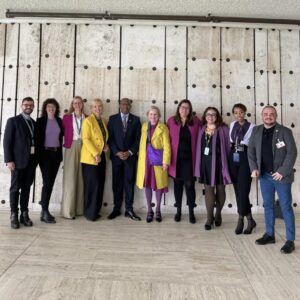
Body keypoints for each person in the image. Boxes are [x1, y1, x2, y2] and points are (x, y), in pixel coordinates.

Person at [248, 105, 297, 254]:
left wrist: (282, 171)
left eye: (271, 114)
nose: (268, 116)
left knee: (286, 207)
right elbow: (250, 151)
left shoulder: (285, 131)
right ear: (262, 115)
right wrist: (254, 168)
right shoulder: (256, 130)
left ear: (276, 116)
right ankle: (270, 235)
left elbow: (292, 153)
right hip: (264, 176)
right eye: (266, 114)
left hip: (281, 176)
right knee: (268, 205)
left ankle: (290, 240)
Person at [195, 107, 231, 230]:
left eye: (213, 114)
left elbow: (228, 148)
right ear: (205, 116)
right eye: (208, 114)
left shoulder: (223, 129)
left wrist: (227, 166)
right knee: (209, 190)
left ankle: (218, 214)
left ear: (217, 117)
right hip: (206, 164)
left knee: (220, 190)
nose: (210, 116)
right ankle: (209, 218)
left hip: (220, 164)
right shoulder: (202, 129)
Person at [3, 97, 38, 229]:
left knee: (27, 188)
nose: (28, 107)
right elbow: (7, 142)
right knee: (15, 188)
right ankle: (13, 214)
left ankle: (24, 214)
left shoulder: (34, 123)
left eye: (31, 105)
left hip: (31, 162)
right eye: (26, 105)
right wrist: (9, 160)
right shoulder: (13, 121)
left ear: (33, 107)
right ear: (21, 106)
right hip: (17, 162)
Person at [107, 98, 141, 221]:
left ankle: (129, 209)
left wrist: (130, 152)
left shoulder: (136, 120)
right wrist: (117, 152)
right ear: (119, 105)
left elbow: (138, 140)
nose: (125, 106)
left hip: (130, 158)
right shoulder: (112, 119)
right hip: (117, 158)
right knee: (116, 184)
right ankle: (116, 209)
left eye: (127, 104)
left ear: (130, 106)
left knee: (129, 183)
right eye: (123, 104)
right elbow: (109, 138)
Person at [167, 99, 201, 224]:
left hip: (190, 161)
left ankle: (191, 212)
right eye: (182, 107)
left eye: (187, 108)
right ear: (178, 108)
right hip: (176, 161)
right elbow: (167, 140)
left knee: (190, 186)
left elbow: (204, 134)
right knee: (177, 186)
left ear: (190, 109)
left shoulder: (196, 122)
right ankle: (179, 211)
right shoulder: (171, 121)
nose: (184, 110)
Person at [136, 106, 171, 223]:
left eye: (155, 114)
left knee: (159, 185)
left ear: (159, 116)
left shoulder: (163, 128)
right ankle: (149, 210)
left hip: (158, 161)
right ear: (148, 115)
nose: (153, 116)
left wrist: (166, 161)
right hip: (145, 160)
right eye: (151, 114)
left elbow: (167, 146)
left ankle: (158, 210)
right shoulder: (144, 126)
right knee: (147, 184)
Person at [228, 103, 256, 234]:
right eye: (235, 112)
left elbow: (251, 144)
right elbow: (231, 141)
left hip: (245, 157)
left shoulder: (252, 127)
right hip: (233, 157)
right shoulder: (232, 125)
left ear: (245, 112)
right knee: (238, 190)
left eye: (240, 112)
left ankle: (241, 219)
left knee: (243, 189)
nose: (238, 115)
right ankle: (250, 219)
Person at [80, 98, 109, 221]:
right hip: (90, 158)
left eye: (100, 106)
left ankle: (95, 211)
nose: (98, 109)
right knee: (92, 186)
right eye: (95, 107)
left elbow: (102, 138)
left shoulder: (102, 120)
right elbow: (86, 139)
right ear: (91, 109)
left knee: (100, 184)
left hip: (101, 157)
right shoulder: (88, 121)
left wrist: (105, 146)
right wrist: (96, 154)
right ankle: (89, 213)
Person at [36, 98, 63, 224]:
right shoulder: (40, 121)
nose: (51, 108)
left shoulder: (59, 121)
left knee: (50, 183)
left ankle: (44, 212)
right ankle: (45, 210)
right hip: (44, 155)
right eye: (48, 107)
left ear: (56, 109)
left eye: (53, 106)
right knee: (47, 182)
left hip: (56, 154)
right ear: (45, 109)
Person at [61, 96, 86, 219]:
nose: (77, 104)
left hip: (85, 148)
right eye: (74, 102)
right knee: (70, 179)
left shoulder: (87, 117)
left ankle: (79, 210)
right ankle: (68, 211)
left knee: (81, 178)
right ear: (72, 104)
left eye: (79, 102)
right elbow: (59, 133)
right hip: (71, 147)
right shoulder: (66, 118)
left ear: (82, 104)